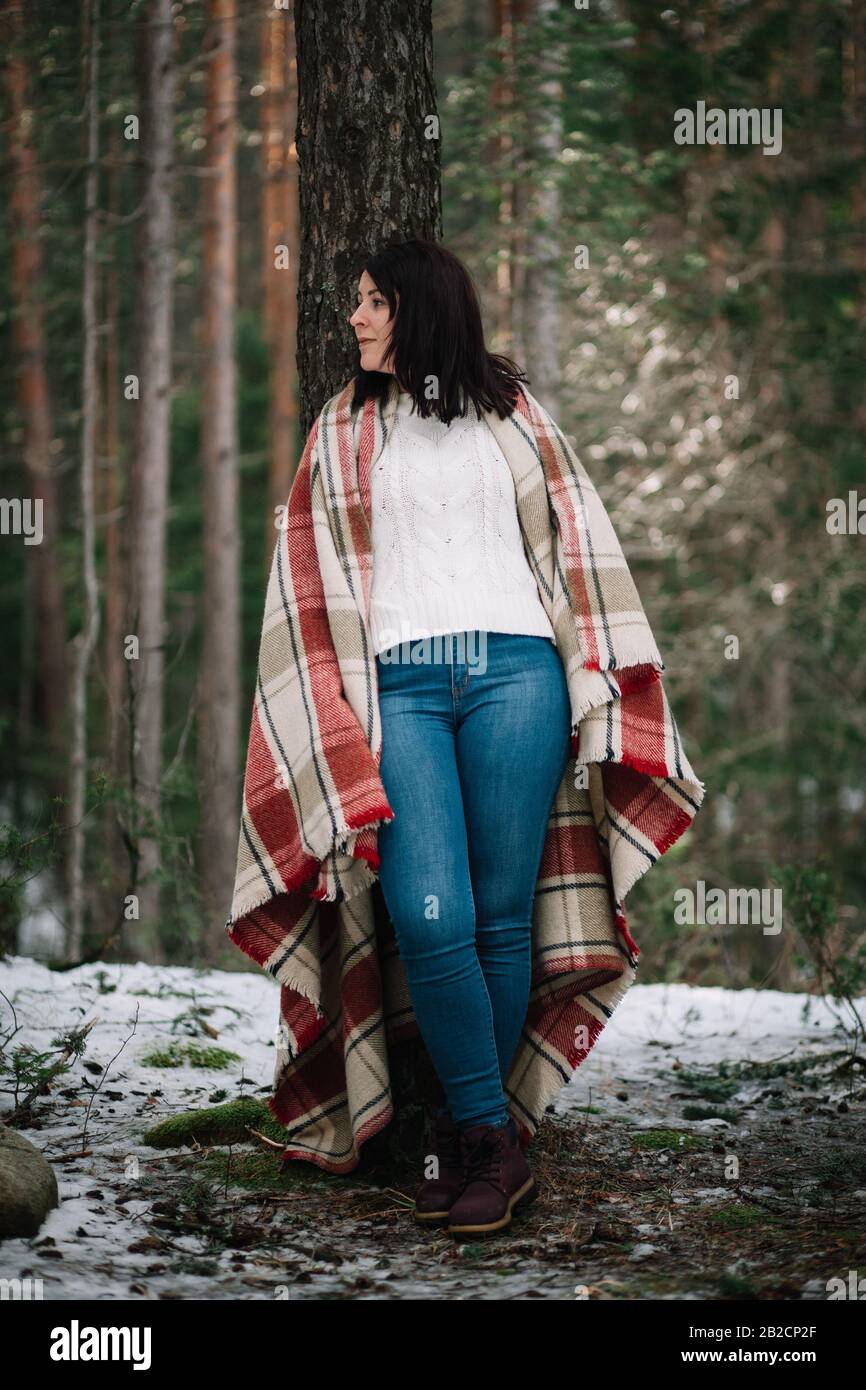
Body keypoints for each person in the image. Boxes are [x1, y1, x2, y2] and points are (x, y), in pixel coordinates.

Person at [347, 239, 572, 1235]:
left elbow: (574, 543)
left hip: (517, 674)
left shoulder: (512, 413)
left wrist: (600, 670)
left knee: (493, 918)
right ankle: (488, 1130)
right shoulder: (348, 425)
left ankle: (472, 1141)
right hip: (397, 684)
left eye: (370, 303)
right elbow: (314, 572)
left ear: (418, 309)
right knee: (428, 915)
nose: (354, 319)